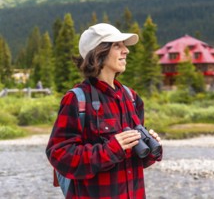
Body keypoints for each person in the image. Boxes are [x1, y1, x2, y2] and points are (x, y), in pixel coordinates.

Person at [46, 23, 163, 198]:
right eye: (118, 45)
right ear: (98, 52)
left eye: (124, 45)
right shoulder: (77, 99)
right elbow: (59, 155)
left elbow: (133, 162)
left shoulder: (131, 98)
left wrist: (150, 151)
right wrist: (110, 150)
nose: (126, 51)